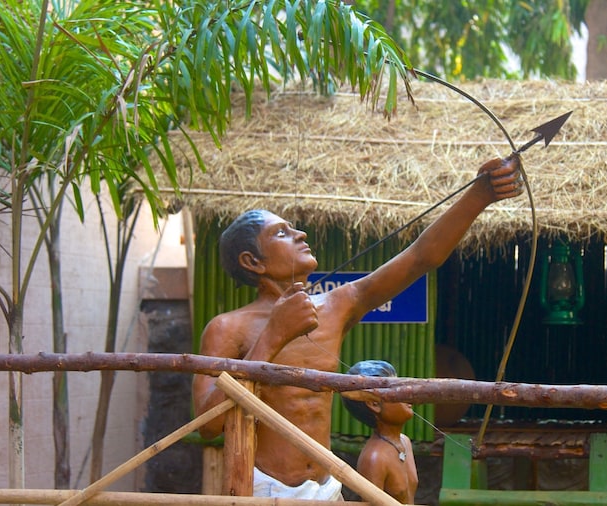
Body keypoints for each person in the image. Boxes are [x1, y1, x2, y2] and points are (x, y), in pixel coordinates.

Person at [192, 154, 522, 500]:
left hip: (325, 486)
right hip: (264, 489)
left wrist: (480, 195)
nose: (300, 233)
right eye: (281, 233)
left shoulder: (335, 305)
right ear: (252, 262)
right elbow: (209, 425)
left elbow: (420, 257)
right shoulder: (227, 328)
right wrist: (274, 335)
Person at [342, 360, 418, 504]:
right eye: (397, 390)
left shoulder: (404, 442)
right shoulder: (374, 458)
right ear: (374, 404)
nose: (407, 394)